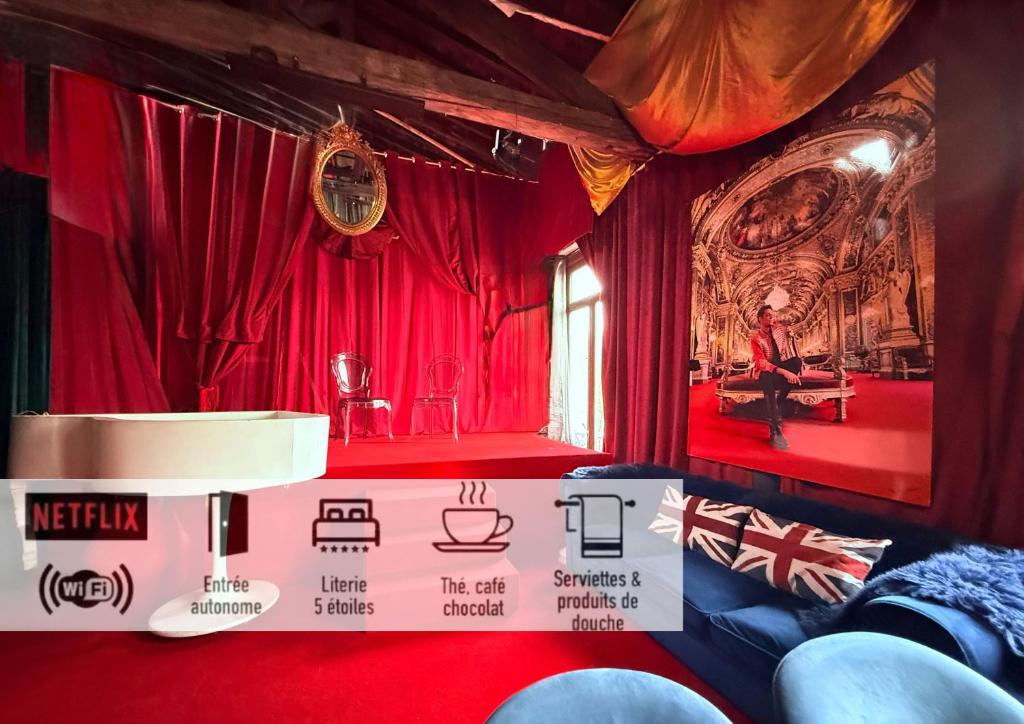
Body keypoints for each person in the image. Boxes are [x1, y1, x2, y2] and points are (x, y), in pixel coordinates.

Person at [750, 305, 801, 450]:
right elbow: (761, 363)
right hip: (766, 372)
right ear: (759, 319)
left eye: (772, 315)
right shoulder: (756, 338)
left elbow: (785, 332)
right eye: (767, 315)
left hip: (779, 370)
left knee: (797, 361)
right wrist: (784, 372)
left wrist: (790, 333)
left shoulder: (778, 330)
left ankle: (779, 403)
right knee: (766, 377)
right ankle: (775, 430)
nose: (771, 317)